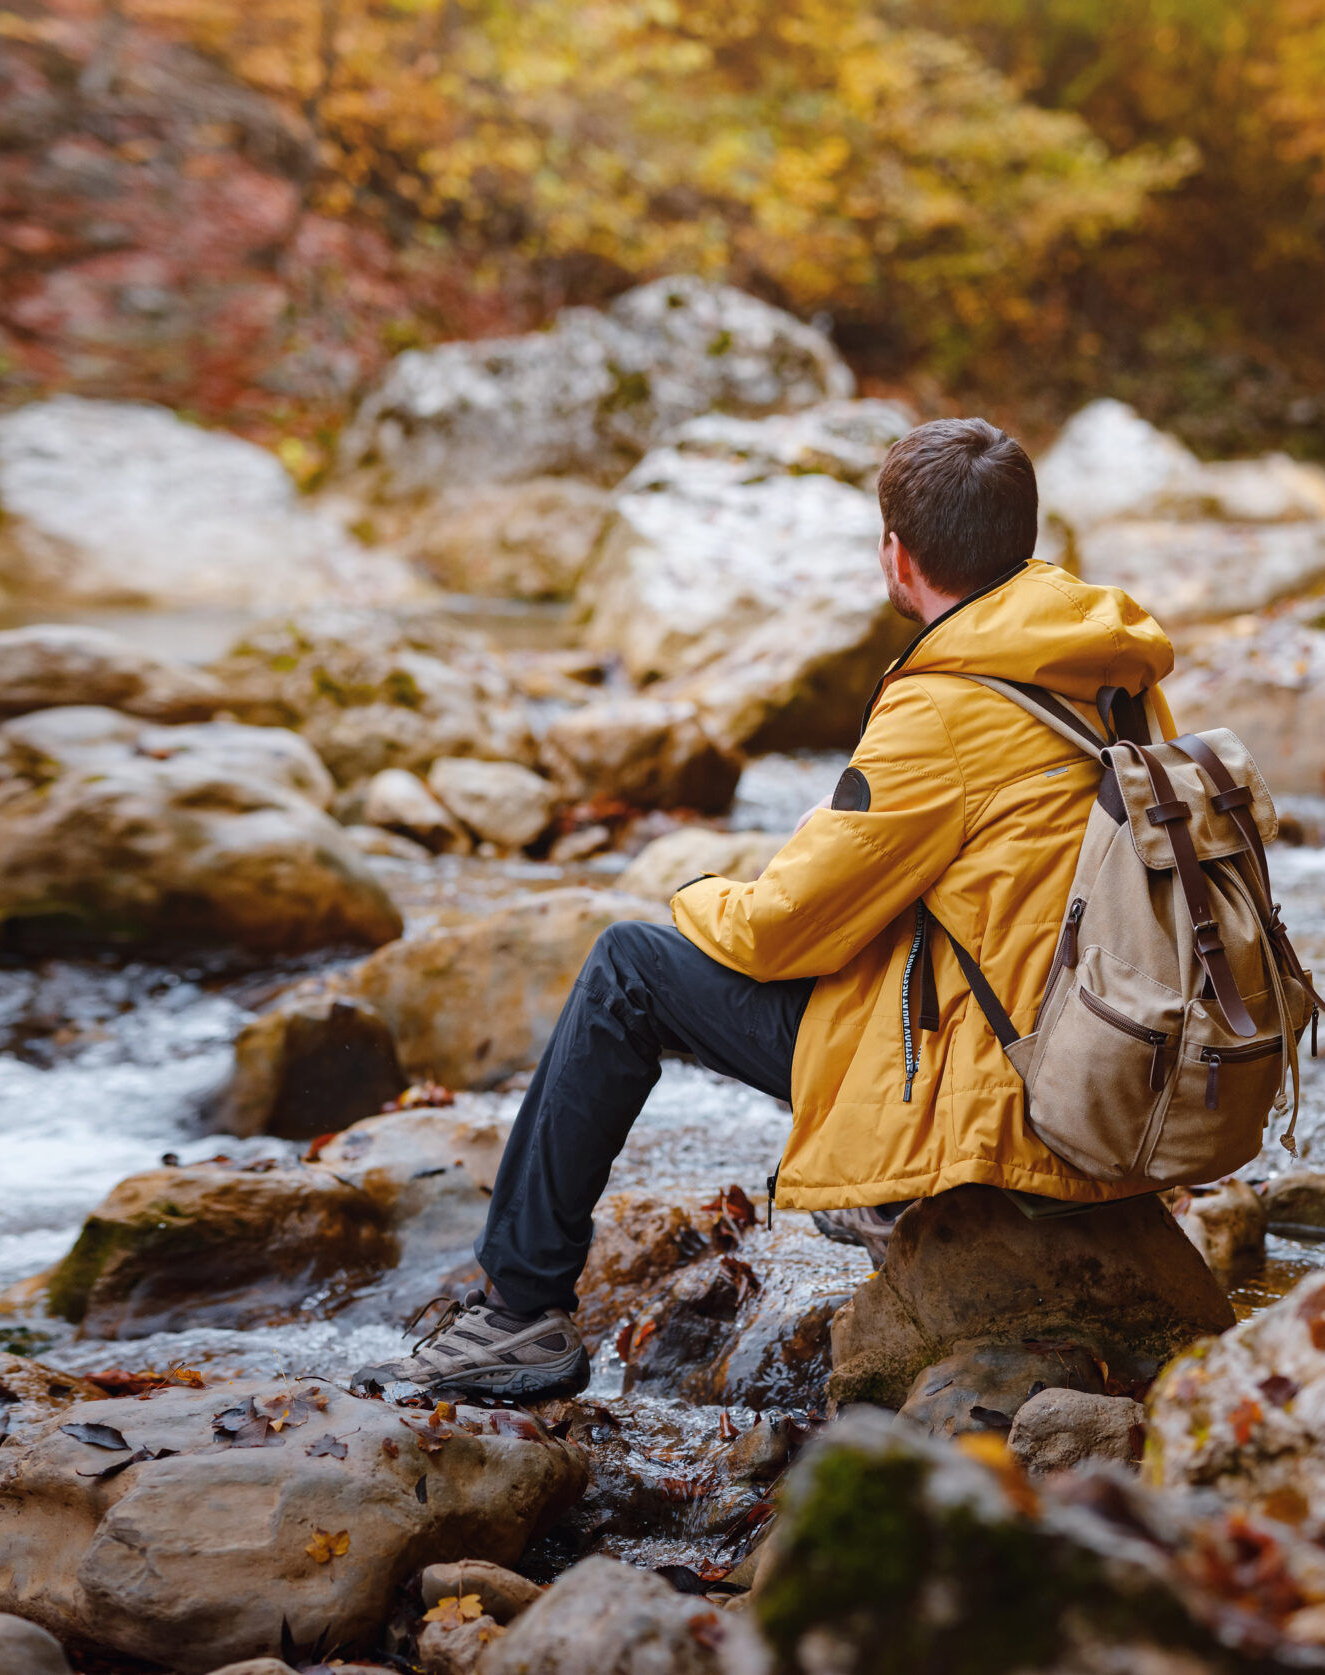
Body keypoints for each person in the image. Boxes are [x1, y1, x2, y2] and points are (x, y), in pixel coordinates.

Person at [352, 417, 1177, 1400]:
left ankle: (518, 1315)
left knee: (628, 966)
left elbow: (788, 927)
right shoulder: (1105, 669)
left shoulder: (947, 702)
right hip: (1112, 1066)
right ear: (1024, 540)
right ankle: (886, 1194)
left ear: (894, 554)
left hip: (1007, 1100)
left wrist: (696, 893)